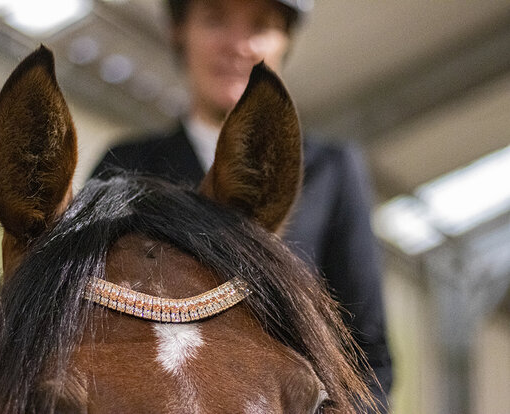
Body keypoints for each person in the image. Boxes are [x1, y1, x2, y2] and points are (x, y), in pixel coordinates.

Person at [91, 0, 392, 410]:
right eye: (215, 18)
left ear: (285, 41)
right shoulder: (125, 167)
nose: (238, 45)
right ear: (180, 30)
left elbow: (368, 352)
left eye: (261, 25)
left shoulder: (332, 170)